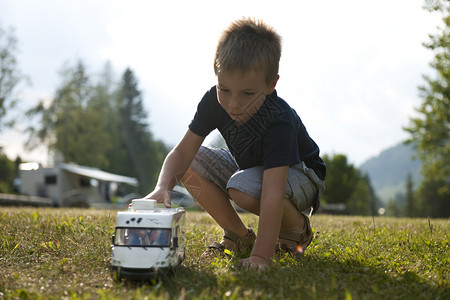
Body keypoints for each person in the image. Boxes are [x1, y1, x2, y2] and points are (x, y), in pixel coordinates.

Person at [146, 18, 326, 270]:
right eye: (225, 89)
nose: (233, 103)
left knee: (241, 188)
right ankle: (239, 237)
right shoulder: (212, 101)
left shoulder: (279, 119)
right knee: (189, 165)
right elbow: (182, 152)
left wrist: (261, 258)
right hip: (254, 169)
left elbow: (272, 191)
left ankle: (296, 228)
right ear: (216, 74)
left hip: (301, 173)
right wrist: (162, 186)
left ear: (271, 84)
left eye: (247, 94)